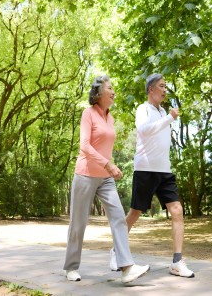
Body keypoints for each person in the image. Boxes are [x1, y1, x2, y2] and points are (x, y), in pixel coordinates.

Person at [63, 75, 150, 283]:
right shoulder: (88, 114)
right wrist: (108, 164)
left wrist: (109, 168)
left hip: (105, 178)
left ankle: (127, 268)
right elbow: (84, 145)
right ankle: (71, 267)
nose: (113, 91)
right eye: (110, 88)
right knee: (79, 223)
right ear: (99, 93)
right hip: (85, 174)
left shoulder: (110, 118)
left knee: (119, 217)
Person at [110, 73, 194, 278]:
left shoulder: (164, 111)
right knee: (136, 212)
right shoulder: (143, 109)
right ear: (151, 89)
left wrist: (167, 117)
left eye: (166, 86)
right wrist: (169, 119)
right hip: (145, 169)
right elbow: (144, 131)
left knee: (177, 210)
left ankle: (177, 262)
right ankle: (115, 251)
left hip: (164, 170)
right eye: (162, 86)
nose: (165, 90)